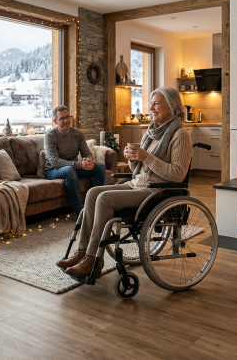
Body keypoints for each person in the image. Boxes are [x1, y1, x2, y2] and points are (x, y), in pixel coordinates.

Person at [57, 87, 193, 278]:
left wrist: (145, 157)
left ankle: (93, 259)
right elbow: (139, 168)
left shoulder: (180, 135)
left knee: (104, 199)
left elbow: (177, 175)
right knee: (93, 193)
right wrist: (133, 158)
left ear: (171, 107)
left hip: (156, 191)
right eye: (151, 103)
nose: (151, 108)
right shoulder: (152, 132)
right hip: (137, 184)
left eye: (156, 103)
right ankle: (82, 251)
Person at [45, 105, 106, 215]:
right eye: (62, 118)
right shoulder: (50, 136)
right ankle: (81, 213)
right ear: (55, 121)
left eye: (67, 117)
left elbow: (86, 153)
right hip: (53, 170)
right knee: (69, 169)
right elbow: (54, 161)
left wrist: (89, 161)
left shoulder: (77, 133)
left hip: (72, 169)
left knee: (100, 167)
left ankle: (93, 207)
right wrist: (80, 165)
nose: (66, 120)